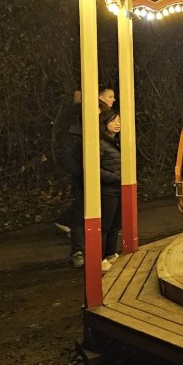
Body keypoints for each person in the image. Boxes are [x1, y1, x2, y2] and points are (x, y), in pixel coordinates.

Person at [59, 86, 116, 266]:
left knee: (92, 213)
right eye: (110, 96)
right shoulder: (76, 123)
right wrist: (84, 173)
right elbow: (68, 153)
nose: (113, 100)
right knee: (80, 212)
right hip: (84, 174)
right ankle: (79, 251)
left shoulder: (100, 118)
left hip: (96, 174)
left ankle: (91, 250)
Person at [98, 108, 123, 273]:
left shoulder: (118, 141)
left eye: (119, 120)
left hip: (119, 188)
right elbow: (95, 168)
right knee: (105, 225)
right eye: (113, 120)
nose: (117, 123)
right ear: (105, 123)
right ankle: (99, 259)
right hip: (108, 189)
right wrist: (113, 176)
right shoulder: (100, 143)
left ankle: (111, 253)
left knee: (116, 224)